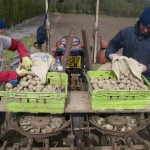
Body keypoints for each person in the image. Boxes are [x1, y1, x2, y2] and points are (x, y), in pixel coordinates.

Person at [105, 6, 150, 81]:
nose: (145, 30)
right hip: (127, 77)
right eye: (143, 26)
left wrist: (145, 68)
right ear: (140, 21)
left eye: (149, 28)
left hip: (147, 79)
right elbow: (112, 45)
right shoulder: (127, 33)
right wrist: (110, 55)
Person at [0, 17, 32, 83]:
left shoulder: (1, 40)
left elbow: (18, 44)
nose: (0, 36)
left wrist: (24, 56)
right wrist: (15, 73)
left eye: (1, 33)